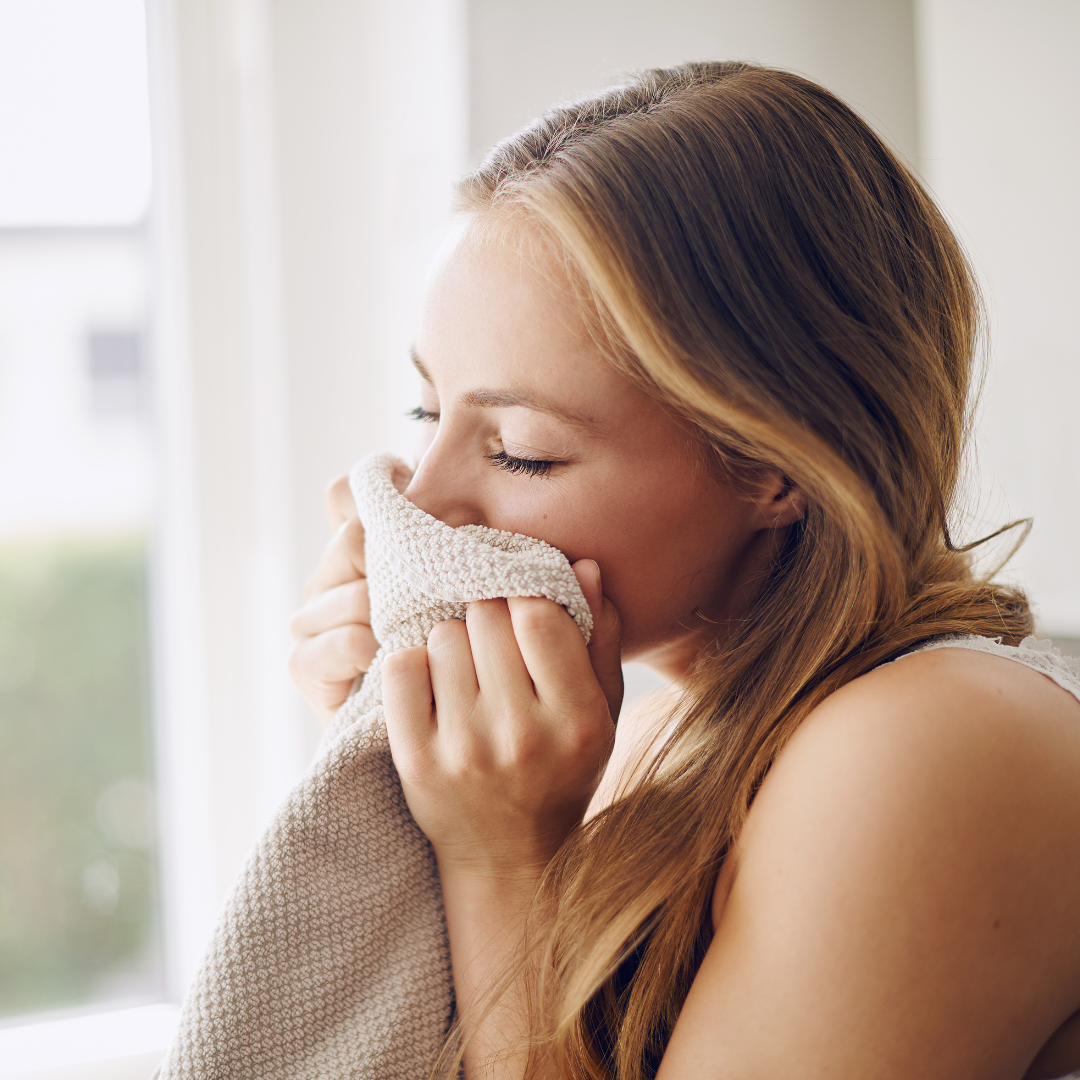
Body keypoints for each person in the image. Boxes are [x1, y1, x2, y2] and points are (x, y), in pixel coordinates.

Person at [287, 62, 1080, 1080]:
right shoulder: (652, 737)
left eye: (520, 448)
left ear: (772, 464)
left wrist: (498, 858)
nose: (424, 500)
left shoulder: (935, 742)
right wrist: (392, 759)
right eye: (427, 415)